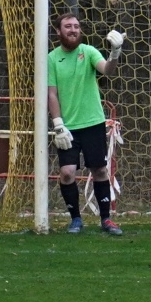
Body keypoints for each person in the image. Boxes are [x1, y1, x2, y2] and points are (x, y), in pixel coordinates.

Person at [47, 13, 125, 235]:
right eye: (68, 26)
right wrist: (58, 124)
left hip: (93, 123)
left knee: (100, 170)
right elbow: (51, 94)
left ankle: (106, 219)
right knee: (67, 173)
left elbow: (107, 70)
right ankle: (75, 219)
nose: (73, 30)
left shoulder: (88, 51)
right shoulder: (52, 58)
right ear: (58, 31)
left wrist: (115, 52)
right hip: (68, 127)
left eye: (76, 26)